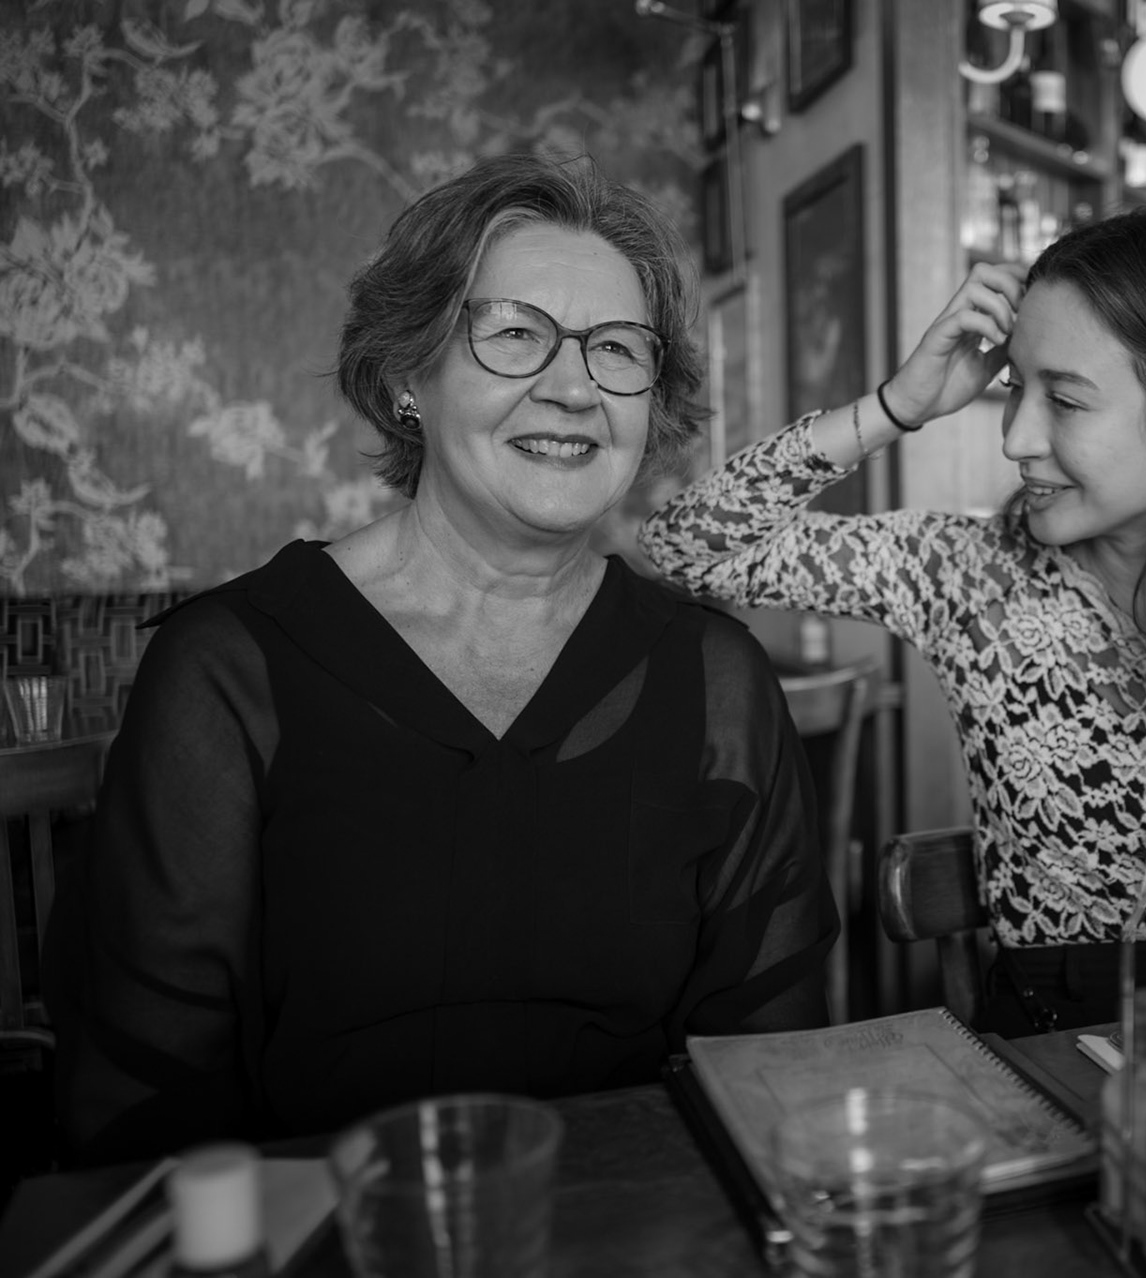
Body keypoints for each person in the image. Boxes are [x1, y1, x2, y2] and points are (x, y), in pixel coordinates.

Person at [49, 153, 837, 1164]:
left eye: (616, 349)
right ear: (406, 377)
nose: (573, 387)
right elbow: (147, 1106)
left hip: (648, 1221)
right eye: (514, 335)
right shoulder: (229, 672)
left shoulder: (717, 678)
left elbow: (773, 1063)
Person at [642, 203, 1146, 1035]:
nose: (1016, 439)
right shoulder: (970, 573)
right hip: (1033, 1043)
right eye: (1014, 389)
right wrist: (898, 404)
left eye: (1065, 401)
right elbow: (685, 545)